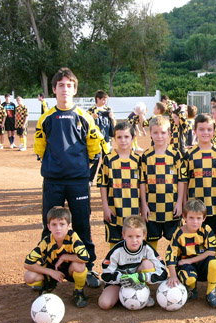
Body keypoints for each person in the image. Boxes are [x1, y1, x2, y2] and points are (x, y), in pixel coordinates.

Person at [34, 67, 104, 288]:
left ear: (75, 89)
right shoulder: (46, 118)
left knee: (82, 224)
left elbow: (95, 147)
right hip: (53, 182)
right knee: (51, 226)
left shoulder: (84, 117)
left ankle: (88, 267)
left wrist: (83, 170)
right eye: (61, 85)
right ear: (54, 89)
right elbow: (40, 147)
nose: (65, 89)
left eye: (70, 85)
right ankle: (49, 270)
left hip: (78, 182)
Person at [24, 206, 89, 307]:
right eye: (54, 224)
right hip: (51, 270)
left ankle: (79, 290)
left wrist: (64, 257)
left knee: (80, 266)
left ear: (69, 226)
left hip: (69, 270)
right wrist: (51, 272)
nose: (58, 228)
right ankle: (47, 286)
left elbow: (85, 257)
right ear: (48, 227)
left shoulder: (73, 237)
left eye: (62, 224)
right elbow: (28, 263)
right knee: (28, 276)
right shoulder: (46, 241)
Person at [98, 215, 168, 310]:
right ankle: (122, 294)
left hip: (139, 280)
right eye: (130, 236)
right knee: (104, 304)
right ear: (123, 235)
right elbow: (106, 275)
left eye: (138, 236)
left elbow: (163, 273)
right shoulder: (117, 251)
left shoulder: (147, 248)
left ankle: (144, 293)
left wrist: (141, 277)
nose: (134, 240)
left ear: (144, 235)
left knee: (148, 264)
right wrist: (123, 279)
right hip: (120, 282)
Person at [165, 199, 216, 308]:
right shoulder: (178, 233)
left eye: (198, 218)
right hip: (187, 266)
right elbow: (171, 255)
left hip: (202, 265)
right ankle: (192, 289)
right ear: (184, 217)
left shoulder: (206, 229)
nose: (195, 222)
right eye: (191, 218)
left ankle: (211, 292)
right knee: (188, 278)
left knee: (215, 262)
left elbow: (211, 251)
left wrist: (190, 260)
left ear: (204, 218)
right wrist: (172, 275)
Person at [140, 116, 186, 250]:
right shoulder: (146, 156)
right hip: (152, 207)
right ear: (150, 134)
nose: (159, 136)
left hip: (172, 207)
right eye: (155, 132)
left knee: (175, 241)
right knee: (150, 242)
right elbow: (142, 182)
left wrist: (179, 203)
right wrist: (144, 205)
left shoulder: (176, 154)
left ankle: (174, 266)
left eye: (163, 132)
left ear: (169, 134)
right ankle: (153, 267)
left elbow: (182, 181)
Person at [183, 114, 216, 258]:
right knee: (196, 230)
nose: (205, 132)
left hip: (215, 202)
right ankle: (195, 259)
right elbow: (185, 181)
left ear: (214, 130)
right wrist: (184, 203)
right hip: (195, 202)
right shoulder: (189, 154)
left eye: (209, 129)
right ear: (195, 131)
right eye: (201, 129)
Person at [97, 122, 142, 248]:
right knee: (115, 242)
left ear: (133, 138)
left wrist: (142, 206)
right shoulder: (108, 159)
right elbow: (103, 184)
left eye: (127, 137)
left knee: (133, 240)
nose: (123, 140)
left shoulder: (138, 160)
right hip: (114, 207)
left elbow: (142, 185)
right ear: (115, 139)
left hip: (133, 208)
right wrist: (105, 207)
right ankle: (114, 266)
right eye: (119, 137)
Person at [88, 90, 114, 184]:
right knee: (94, 159)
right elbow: (86, 124)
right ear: (97, 99)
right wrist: (92, 118)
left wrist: (112, 118)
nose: (105, 101)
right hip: (95, 139)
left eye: (106, 100)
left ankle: (107, 179)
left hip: (107, 139)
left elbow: (113, 124)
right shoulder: (90, 110)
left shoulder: (108, 109)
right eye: (103, 99)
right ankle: (90, 179)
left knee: (107, 159)